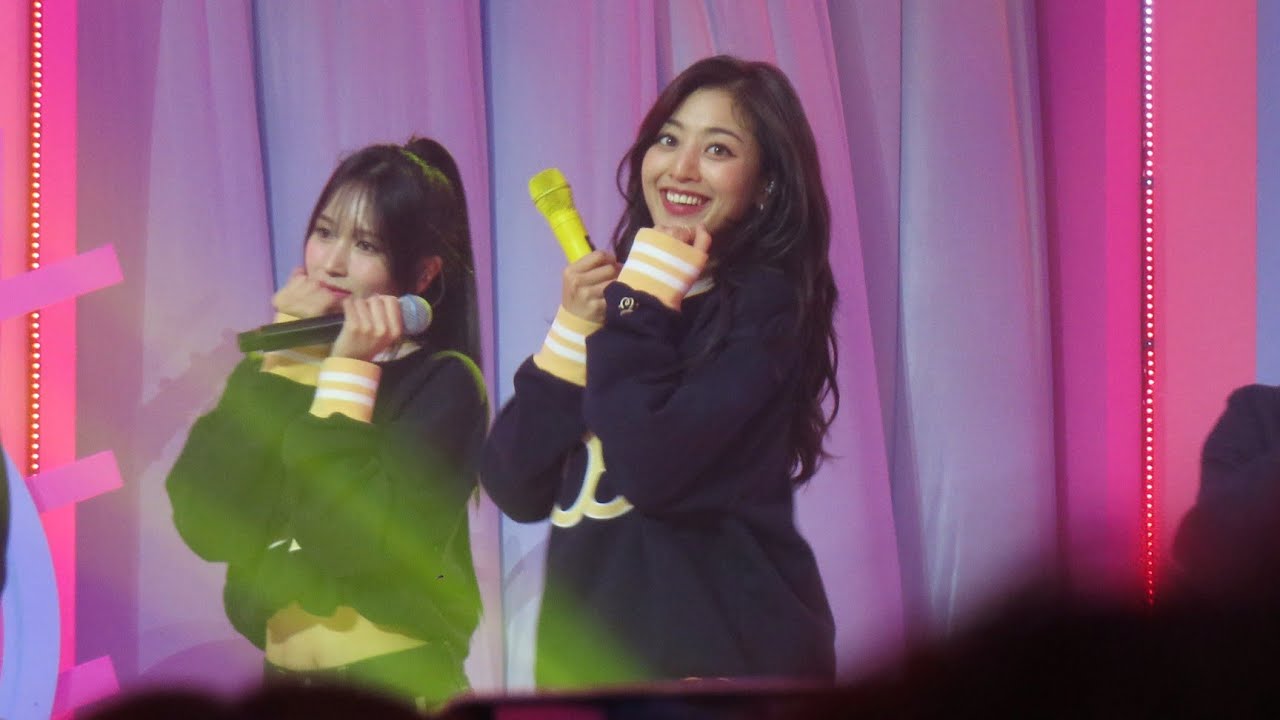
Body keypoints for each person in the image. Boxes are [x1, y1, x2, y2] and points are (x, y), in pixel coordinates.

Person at [481, 55, 838, 687]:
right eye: (668, 140)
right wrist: (573, 329)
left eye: (718, 149)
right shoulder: (628, 308)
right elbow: (514, 485)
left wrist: (635, 307)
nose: (681, 168)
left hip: (722, 675)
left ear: (766, 186)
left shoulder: (764, 306)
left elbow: (651, 467)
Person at [166, 137, 486, 706]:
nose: (332, 263)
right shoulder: (282, 371)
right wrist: (285, 363)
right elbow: (205, 524)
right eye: (324, 232)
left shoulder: (444, 383)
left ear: (421, 275)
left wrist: (348, 374)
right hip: (284, 687)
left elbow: (349, 543)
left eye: (366, 245)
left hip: (393, 688)